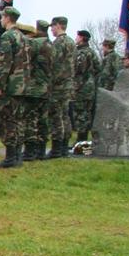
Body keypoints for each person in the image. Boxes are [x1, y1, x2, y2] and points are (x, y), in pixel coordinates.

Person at [0, 7, 31, 168]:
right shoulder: (23, 37)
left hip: (10, 86)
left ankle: (10, 157)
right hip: (22, 85)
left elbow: (4, 63)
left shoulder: (8, 37)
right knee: (18, 121)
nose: (1, 20)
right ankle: (16, 155)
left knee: (8, 121)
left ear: (7, 18)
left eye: (2, 18)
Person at [23, 20, 54, 162]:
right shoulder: (51, 45)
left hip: (34, 86)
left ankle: (30, 151)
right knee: (43, 119)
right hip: (46, 86)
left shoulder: (35, 44)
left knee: (31, 119)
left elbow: (25, 60)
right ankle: (41, 150)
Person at [47, 16, 76, 158]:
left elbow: (54, 64)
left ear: (58, 25)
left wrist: (50, 82)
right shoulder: (71, 42)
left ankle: (56, 149)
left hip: (58, 85)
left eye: (52, 26)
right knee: (65, 116)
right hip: (68, 84)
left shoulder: (58, 43)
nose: (51, 29)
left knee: (56, 117)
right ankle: (64, 147)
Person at [72, 30, 100, 142]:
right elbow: (98, 69)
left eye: (77, 36)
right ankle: (83, 139)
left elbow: (79, 70)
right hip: (90, 87)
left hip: (81, 87)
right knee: (87, 113)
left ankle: (81, 141)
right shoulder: (92, 52)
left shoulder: (81, 53)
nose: (76, 38)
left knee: (80, 114)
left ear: (82, 38)